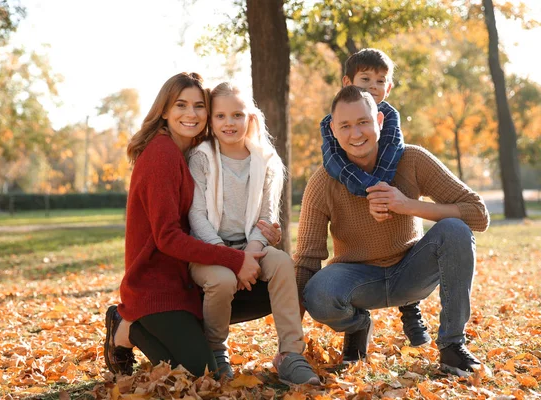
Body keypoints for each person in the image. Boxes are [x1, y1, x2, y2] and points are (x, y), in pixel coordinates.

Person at [295, 85, 490, 377]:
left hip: (412, 271)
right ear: (333, 130)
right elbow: (307, 259)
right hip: (358, 280)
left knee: (455, 230)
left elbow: (478, 214)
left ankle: (451, 347)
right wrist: (289, 343)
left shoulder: (411, 159)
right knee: (317, 292)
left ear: (380, 121)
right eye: (345, 126)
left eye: (363, 122)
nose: (356, 134)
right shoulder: (322, 181)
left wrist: (406, 204)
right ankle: (359, 326)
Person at [103, 72, 280, 379]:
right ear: (165, 110)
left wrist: (265, 233)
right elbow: (167, 237)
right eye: (181, 105)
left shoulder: (193, 153)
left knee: (267, 289)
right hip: (155, 286)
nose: (191, 113)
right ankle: (125, 328)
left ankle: (185, 330)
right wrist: (236, 259)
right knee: (200, 373)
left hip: (187, 280)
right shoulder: (161, 153)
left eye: (199, 106)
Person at [186, 82, 320, 385]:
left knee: (283, 263)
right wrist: (229, 258)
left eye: (237, 115)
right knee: (222, 279)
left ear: (251, 118)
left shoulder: (267, 161)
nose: (229, 123)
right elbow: (196, 214)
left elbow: (267, 216)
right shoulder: (202, 157)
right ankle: (216, 349)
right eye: (220, 116)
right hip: (210, 249)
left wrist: (249, 253)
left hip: (251, 246)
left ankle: (290, 354)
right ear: (211, 120)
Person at [318, 48, 430, 348]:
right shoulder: (332, 122)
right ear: (347, 83)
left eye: (381, 81)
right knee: (359, 266)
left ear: (388, 88)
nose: (373, 86)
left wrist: (379, 192)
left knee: (402, 256)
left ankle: (411, 309)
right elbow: (335, 163)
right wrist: (368, 190)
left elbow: (391, 155)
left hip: (397, 223)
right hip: (359, 234)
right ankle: (357, 321)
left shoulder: (390, 118)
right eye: (365, 79)